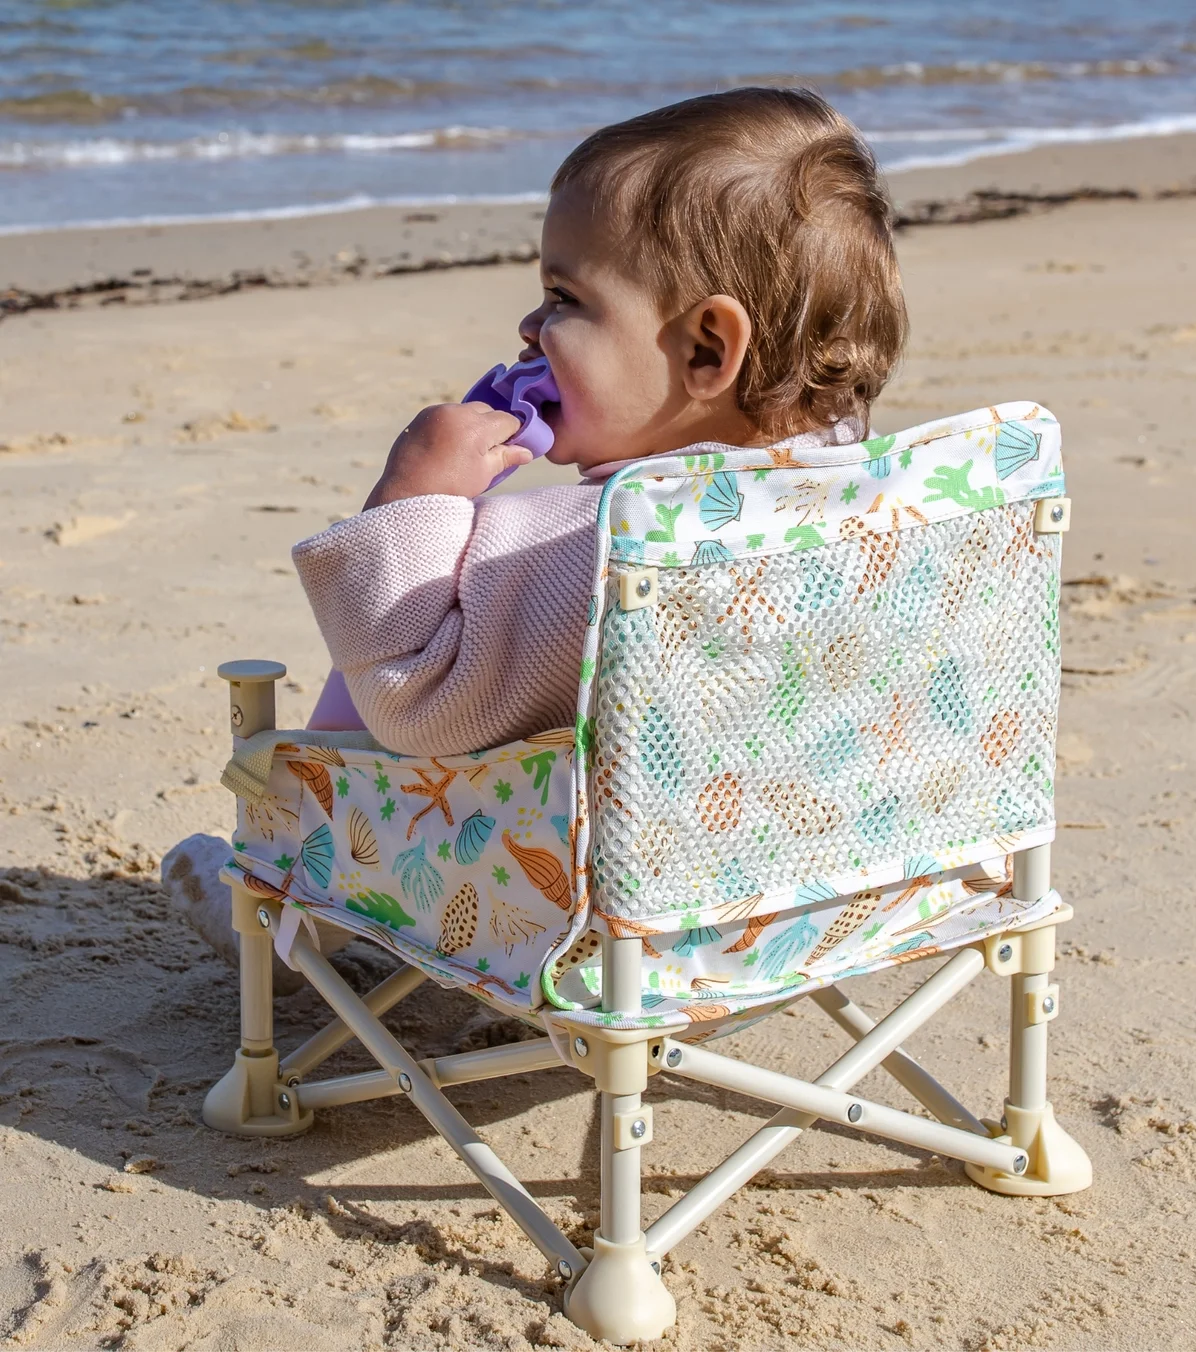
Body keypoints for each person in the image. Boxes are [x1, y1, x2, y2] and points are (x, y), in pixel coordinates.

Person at [163, 86, 908, 979]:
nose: (528, 327)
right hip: (800, 895)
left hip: (564, 907)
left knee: (382, 671)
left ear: (708, 351)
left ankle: (295, 908)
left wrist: (414, 499)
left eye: (564, 297)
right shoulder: (879, 506)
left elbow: (417, 708)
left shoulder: (595, 551)